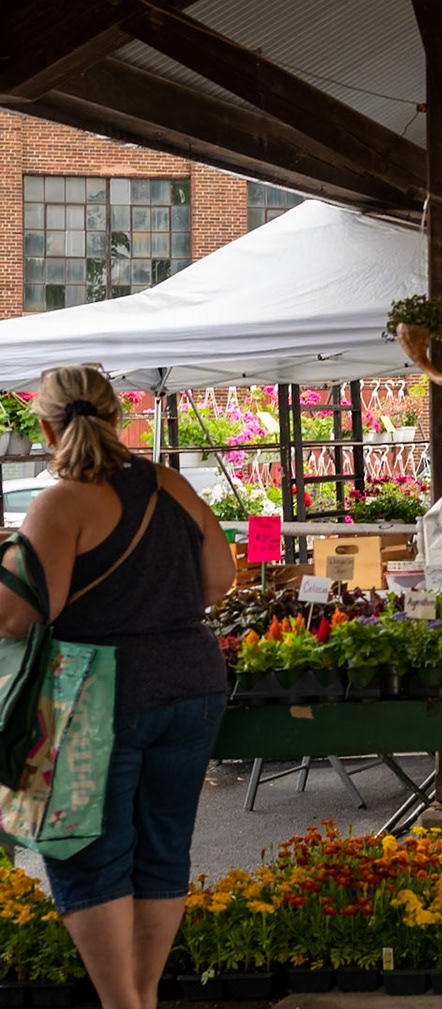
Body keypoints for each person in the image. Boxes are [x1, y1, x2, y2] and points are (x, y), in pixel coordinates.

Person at [0, 367, 234, 1009]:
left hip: (94, 699)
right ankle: (144, 996)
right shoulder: (169, 482)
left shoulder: (59, 503)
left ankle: (122, 1004)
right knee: (162, 850)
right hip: (192, 685)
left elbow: (21, 615)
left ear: (45, 426)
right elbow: (221, 577)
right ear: (118, 413)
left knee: (85, 854)